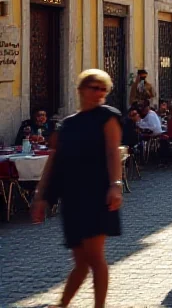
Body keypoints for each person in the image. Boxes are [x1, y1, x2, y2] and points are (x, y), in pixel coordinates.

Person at [32, 69, 123, 308]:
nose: (99, 93)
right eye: (94, 87)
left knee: (94, 257)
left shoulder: (108, 117)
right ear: (81, 90)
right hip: (72, 197)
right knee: (81, 260)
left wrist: (115, 185)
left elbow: (113, 152)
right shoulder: (66, 125)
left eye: (103, 89)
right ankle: (62, 304)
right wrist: (41, 196)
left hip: (97, 194)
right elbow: (54, 162)